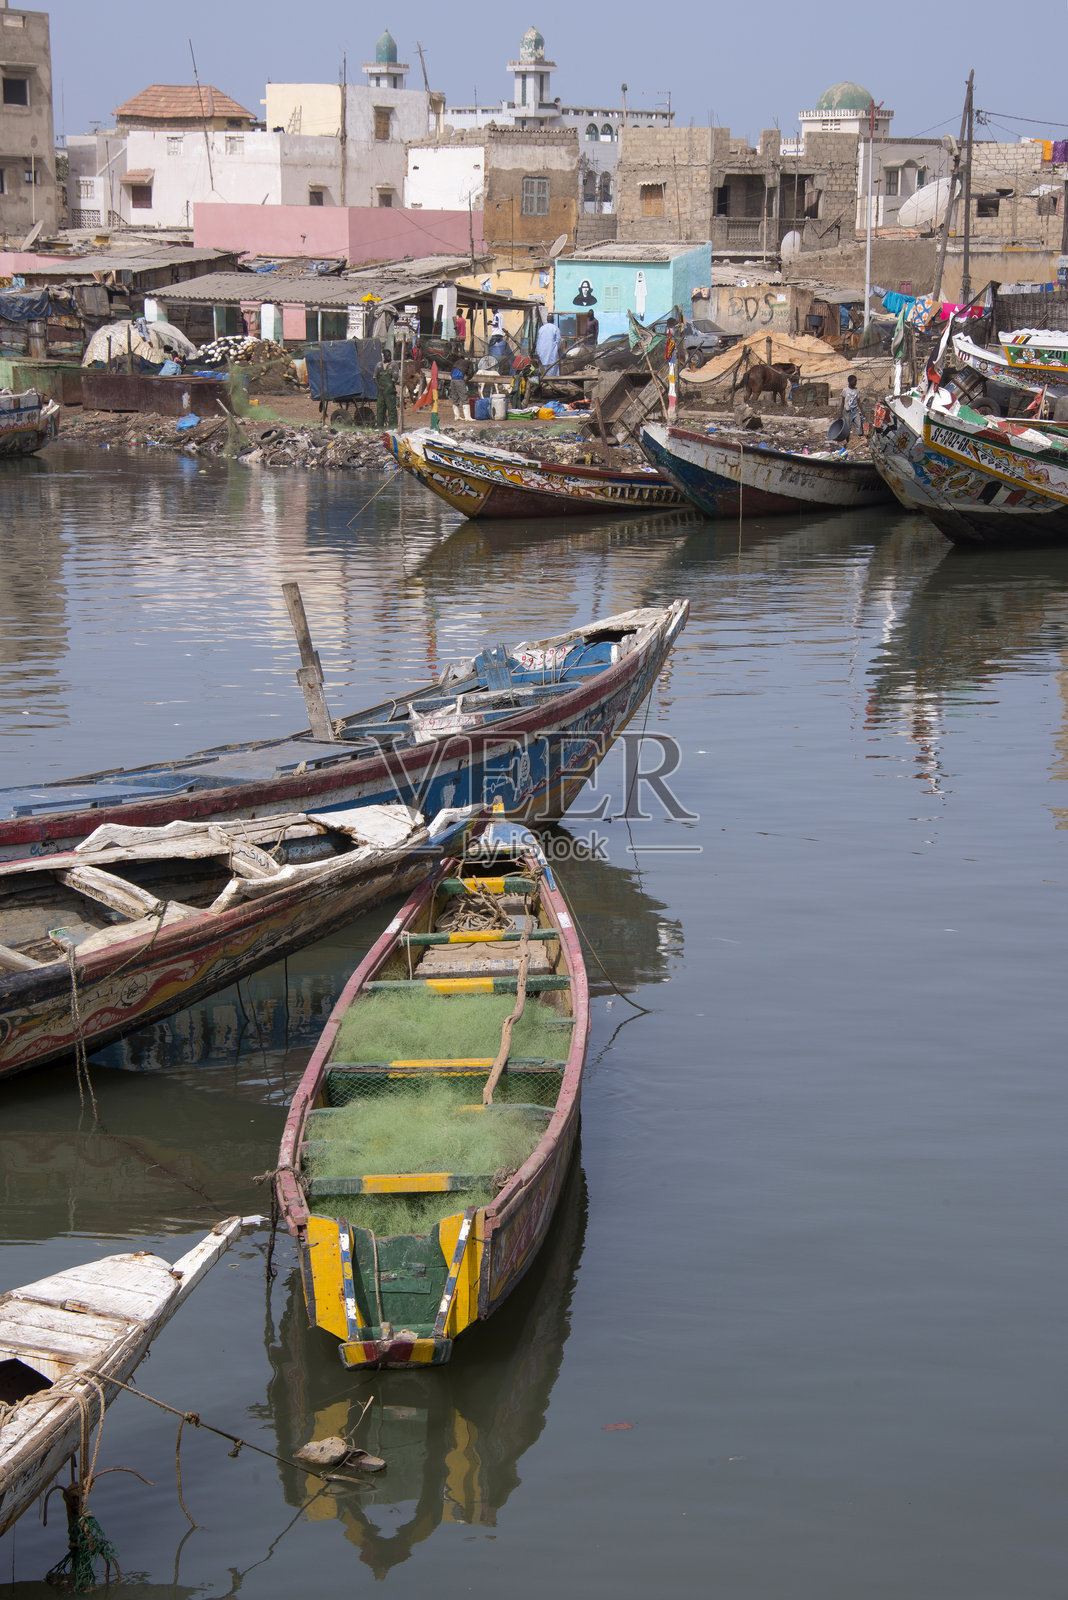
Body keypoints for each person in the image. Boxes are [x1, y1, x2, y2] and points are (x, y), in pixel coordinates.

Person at [374, 349, 398, 429]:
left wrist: (390, 385)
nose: (387, 357)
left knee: (392, 410)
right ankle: (380, 426)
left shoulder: (393, 365)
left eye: (388, 356)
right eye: (385, 356)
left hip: (390, 392)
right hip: (381, 392)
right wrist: (378, 386)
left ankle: (393, 427)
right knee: (380, 409)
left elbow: (395, 377)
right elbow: (375, 377)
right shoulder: (379, 365)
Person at [839, 372, 866, 438]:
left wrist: (862, 411)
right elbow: (842, 402)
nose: (855, 383)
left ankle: (859, 437)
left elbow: (858, 401)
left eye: (856, 381)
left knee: (859, 425)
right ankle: (847, 438)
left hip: (855, 411)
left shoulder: (857, 390)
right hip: (847, 411)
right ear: (849, 381)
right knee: (848, 426)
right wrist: (841, 412)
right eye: (854, 381)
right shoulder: (845, 390)